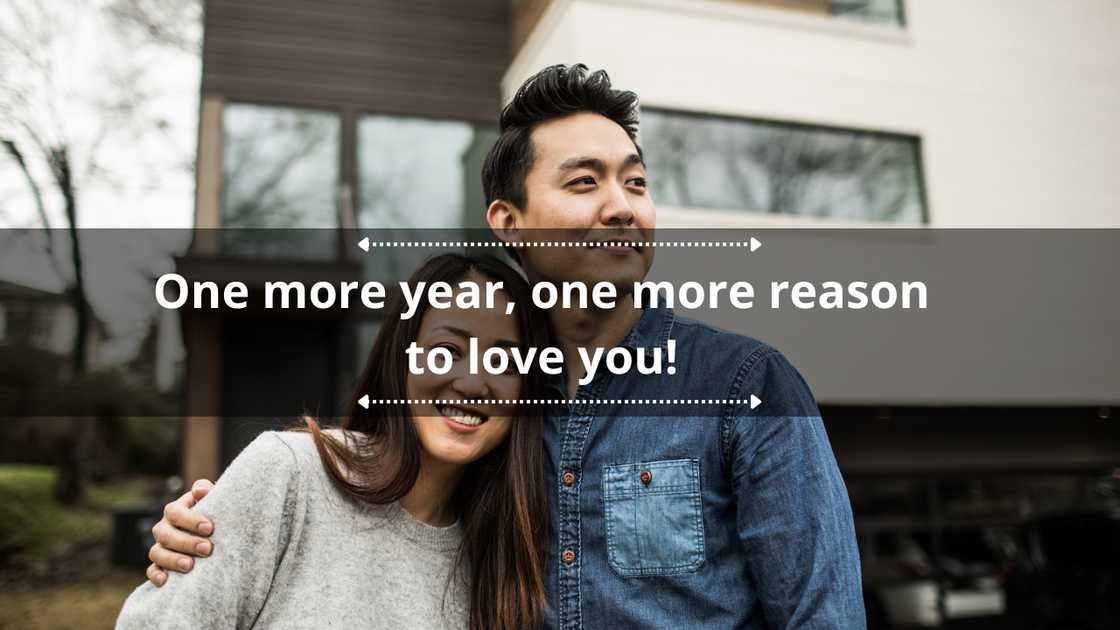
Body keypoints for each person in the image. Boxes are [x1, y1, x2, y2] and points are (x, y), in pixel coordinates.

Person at [145, 64, 866, 628]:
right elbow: (378, 511)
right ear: (508, 221)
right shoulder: (489, 414)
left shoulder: (744, 384)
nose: (622, 205)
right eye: (584, 182)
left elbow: (821, 614)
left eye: (637, 183)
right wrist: (211, 534)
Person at [117, 254, 550, 630]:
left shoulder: (506, 561)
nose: (474, 382)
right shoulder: (290, 475)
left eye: (503, 361)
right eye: (448, 350)